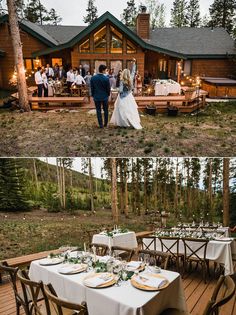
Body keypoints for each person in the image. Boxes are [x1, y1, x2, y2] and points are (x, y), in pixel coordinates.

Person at [90, 64, 111, 128]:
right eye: (105, 70)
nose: (106, 71)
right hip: (104, 97)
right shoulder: (106, 78)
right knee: (106, 110)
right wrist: (108, 95)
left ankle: (100, 124)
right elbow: (108, 88)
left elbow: (92, 88)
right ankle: (105, 123)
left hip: (96, 96)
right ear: (103, 70)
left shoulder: (93, 78)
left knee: (98, 110)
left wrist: (93, 95)